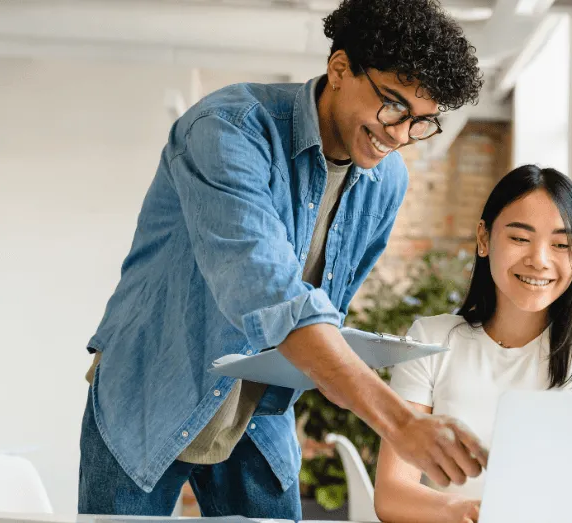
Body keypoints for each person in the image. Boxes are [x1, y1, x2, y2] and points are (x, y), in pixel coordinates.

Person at [78, 0, 486, 519]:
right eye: (393, 106)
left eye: (423, 122)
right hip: (153, 389)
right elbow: (271, 292)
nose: (400, 134)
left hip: (257, 408)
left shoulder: (386, 181)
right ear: (340, 68)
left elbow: (325, 305)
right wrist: (399, 422)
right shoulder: (227, 130)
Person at [373, 165, 572, 523]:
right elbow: (392, 493)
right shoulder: (431, 339)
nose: (540, 260)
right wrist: (467, 512)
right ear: (484, 239)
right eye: (520, 238)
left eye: (561, 244)